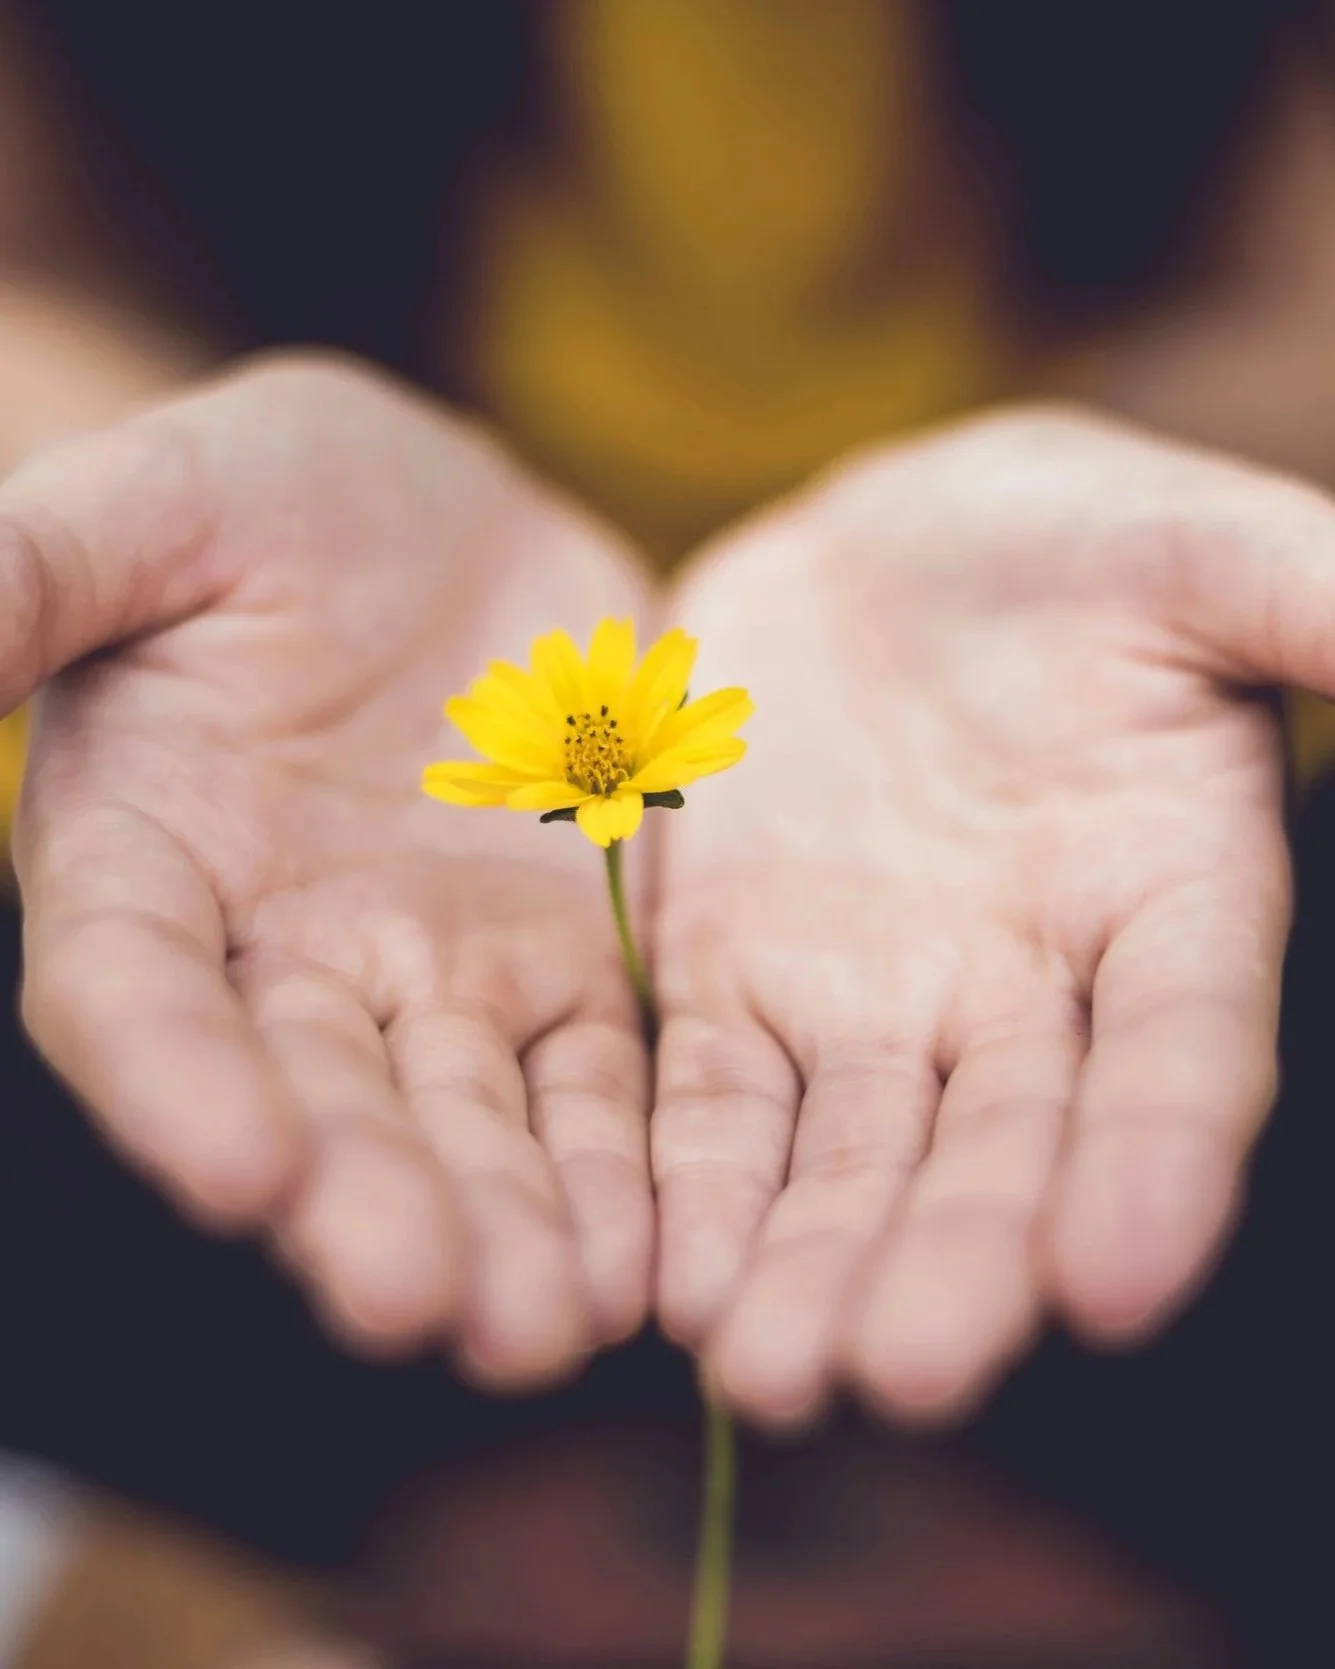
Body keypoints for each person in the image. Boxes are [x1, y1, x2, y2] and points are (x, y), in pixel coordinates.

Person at [1, 0, 1332, 1526]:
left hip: (1047, 772)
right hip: (288, 757)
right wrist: (136, 474)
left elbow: (1305, 303)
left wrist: (1121, 492)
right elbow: (20, 265)